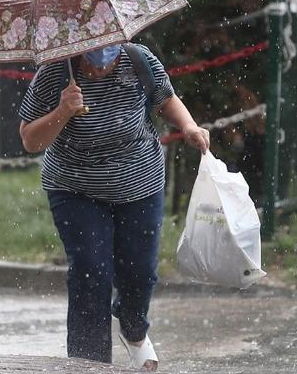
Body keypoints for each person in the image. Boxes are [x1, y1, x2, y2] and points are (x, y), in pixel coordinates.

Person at [18, 43, 209, 371]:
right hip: (75, 188)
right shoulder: (55, 72)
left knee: (141, 272)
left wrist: (188, 126)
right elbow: (30, 140)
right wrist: (63, 110)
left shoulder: (138, 59)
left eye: (110, 49)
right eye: (93, 51)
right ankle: (88, 363)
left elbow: (165, 100)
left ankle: (134, 328)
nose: (102, 58)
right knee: (91, 273)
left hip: (140, 184)